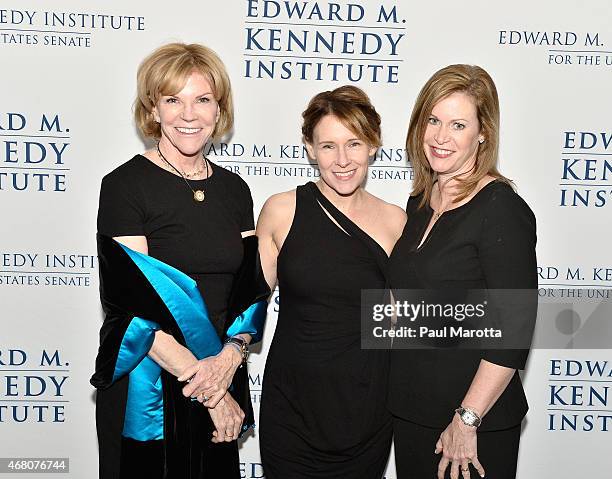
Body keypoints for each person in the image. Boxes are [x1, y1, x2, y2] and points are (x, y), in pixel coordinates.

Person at [90, 43, 269, 479]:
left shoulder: (235, 190)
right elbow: (132, 307)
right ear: (153, 109)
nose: (189, 114)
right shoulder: (124, 186)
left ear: (218, 109)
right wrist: (211, 392)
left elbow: (249, 293)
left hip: (219, 374)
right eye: (173, 99)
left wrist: (227, 362)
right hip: (151, 381)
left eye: (202, 99)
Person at [388, 64, 537, 479]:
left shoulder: (500, 208)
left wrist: (467, 419)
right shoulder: (421, 199)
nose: (440, 137)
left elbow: (514, 330)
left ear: (483, 131)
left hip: (471, 424)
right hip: (413, 411)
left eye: (457, 124)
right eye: (433, 120)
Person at [257, 85, 407, 478]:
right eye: (328, 146)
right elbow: (248, 304)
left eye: (354, 144)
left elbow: (404, 322)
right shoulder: (281, 210)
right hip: (291, 408)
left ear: (373, 145)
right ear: (309, 148)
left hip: (367, 410)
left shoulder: (396, 222)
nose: (342, 160)